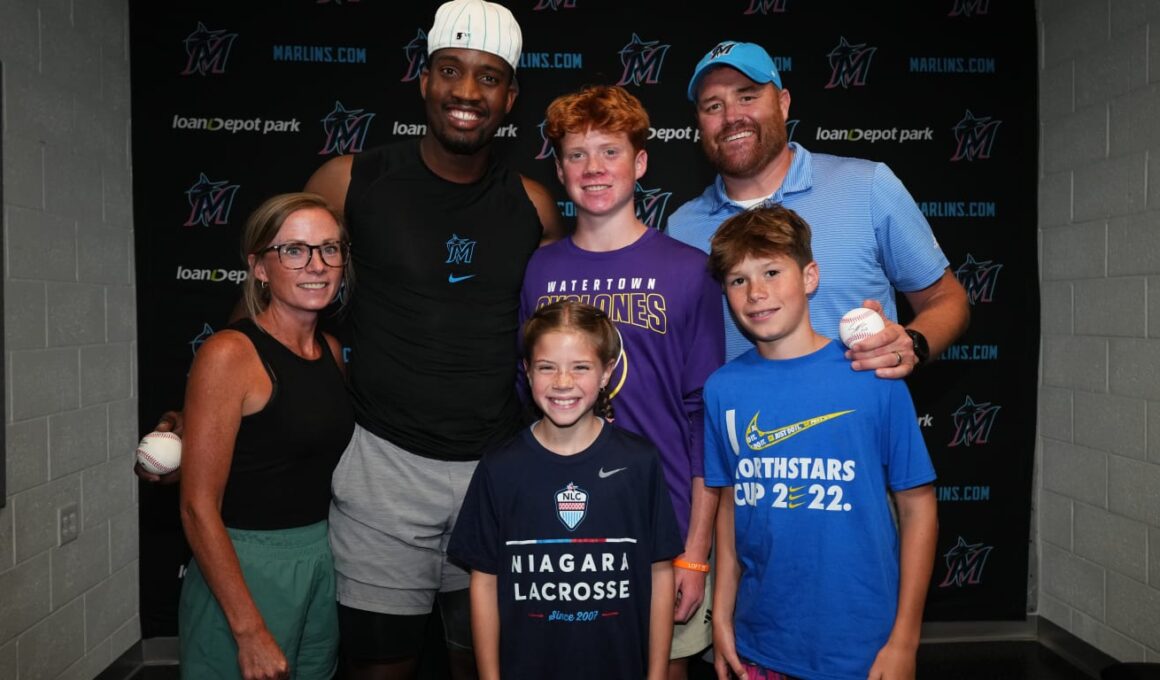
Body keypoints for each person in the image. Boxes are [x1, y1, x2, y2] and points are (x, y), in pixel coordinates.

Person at [301, 1, 563, 678]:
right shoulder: (351, 180)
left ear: (510, 97)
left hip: (497, 472)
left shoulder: (532, 206)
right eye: (451, 71)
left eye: (488, 78)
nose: (467, 93)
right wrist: (202, 399)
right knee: (378, 668)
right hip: (384, 469)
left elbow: (568, 331)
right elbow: (279, 303)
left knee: (487, 666)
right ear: (424, 80)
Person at [519, 85, 725, 678]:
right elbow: (526, 399)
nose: (594, 169)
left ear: (639, 163)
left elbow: (700, 417)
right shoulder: (542, 268)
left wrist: (694, 553)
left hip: (661, 521)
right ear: (559, 171)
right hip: (564, 521)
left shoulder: (689, 271)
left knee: (664, 666)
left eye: (610, 152)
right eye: (577, 155)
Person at [702, 205, 938, 680]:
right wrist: (722, 616)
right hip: (761, 641)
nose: (757, 293)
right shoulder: (723, 388)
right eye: (738, 280)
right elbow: (730, 504)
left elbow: (919, 507)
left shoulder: (873, 376)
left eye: (771, 271)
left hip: (863, 648)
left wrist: (904, 641)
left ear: (810, 276)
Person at [667, 40, 969, 378]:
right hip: (739, 428)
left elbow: (945, 297)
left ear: (782, 104)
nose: (732, 116)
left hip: (854, 424)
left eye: (747, 96)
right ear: (699, 123)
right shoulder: (681, 228)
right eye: (713, 106)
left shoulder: (867, 185)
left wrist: (912, 343)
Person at [449, 300, 683, 680]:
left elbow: (659, 574)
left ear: (607, 372)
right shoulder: (500, 467)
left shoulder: (639, 463)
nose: (562, 382)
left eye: (580, 367)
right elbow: (485, 582)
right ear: (526, 371)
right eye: (547, 367)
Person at [177, 193, 355, 680]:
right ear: (259, 267)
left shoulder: (331, 351)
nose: (316, 265)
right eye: (294, 250)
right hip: (244, 570)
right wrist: (249, 631)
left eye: (329, 249)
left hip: (319, 559)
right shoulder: (230, 353)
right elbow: (196, 507)